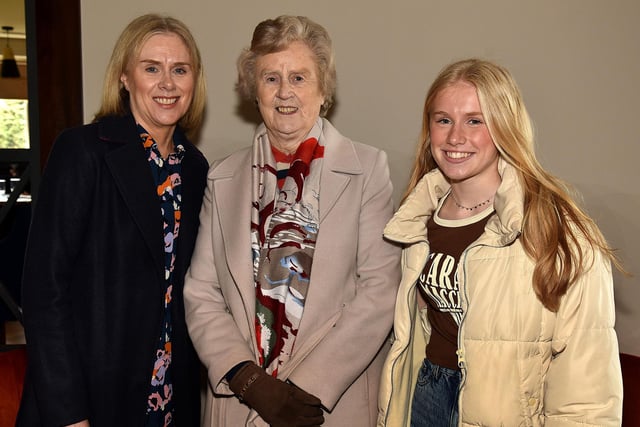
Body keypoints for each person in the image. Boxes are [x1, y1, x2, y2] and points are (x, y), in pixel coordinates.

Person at [377, 58, 624, 426]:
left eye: (475, 121)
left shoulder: (558, 230)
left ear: (504, 126)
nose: (455, 137)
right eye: (443, 119)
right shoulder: (416, 215)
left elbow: (588, 389)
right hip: (427, 395)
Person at [183, 14, 401, 427]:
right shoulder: (222, 176)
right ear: (254, 90)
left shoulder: (368, 168)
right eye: (270, 78)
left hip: (325, 407)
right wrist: (248, 379)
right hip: (240, 402)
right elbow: (201, 292)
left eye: (299, 77)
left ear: (323, 89)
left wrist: (306, 388)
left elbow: (380, 289)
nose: (285, 92)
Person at [17, 13, 208, 427]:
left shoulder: (195, 168)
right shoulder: (83, 151)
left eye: (180, 69)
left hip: (169, 393)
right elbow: (43, 292)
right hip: (90, 395)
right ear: (124, 77)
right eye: (151, 68)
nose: (167, 83)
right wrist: (69, 413)